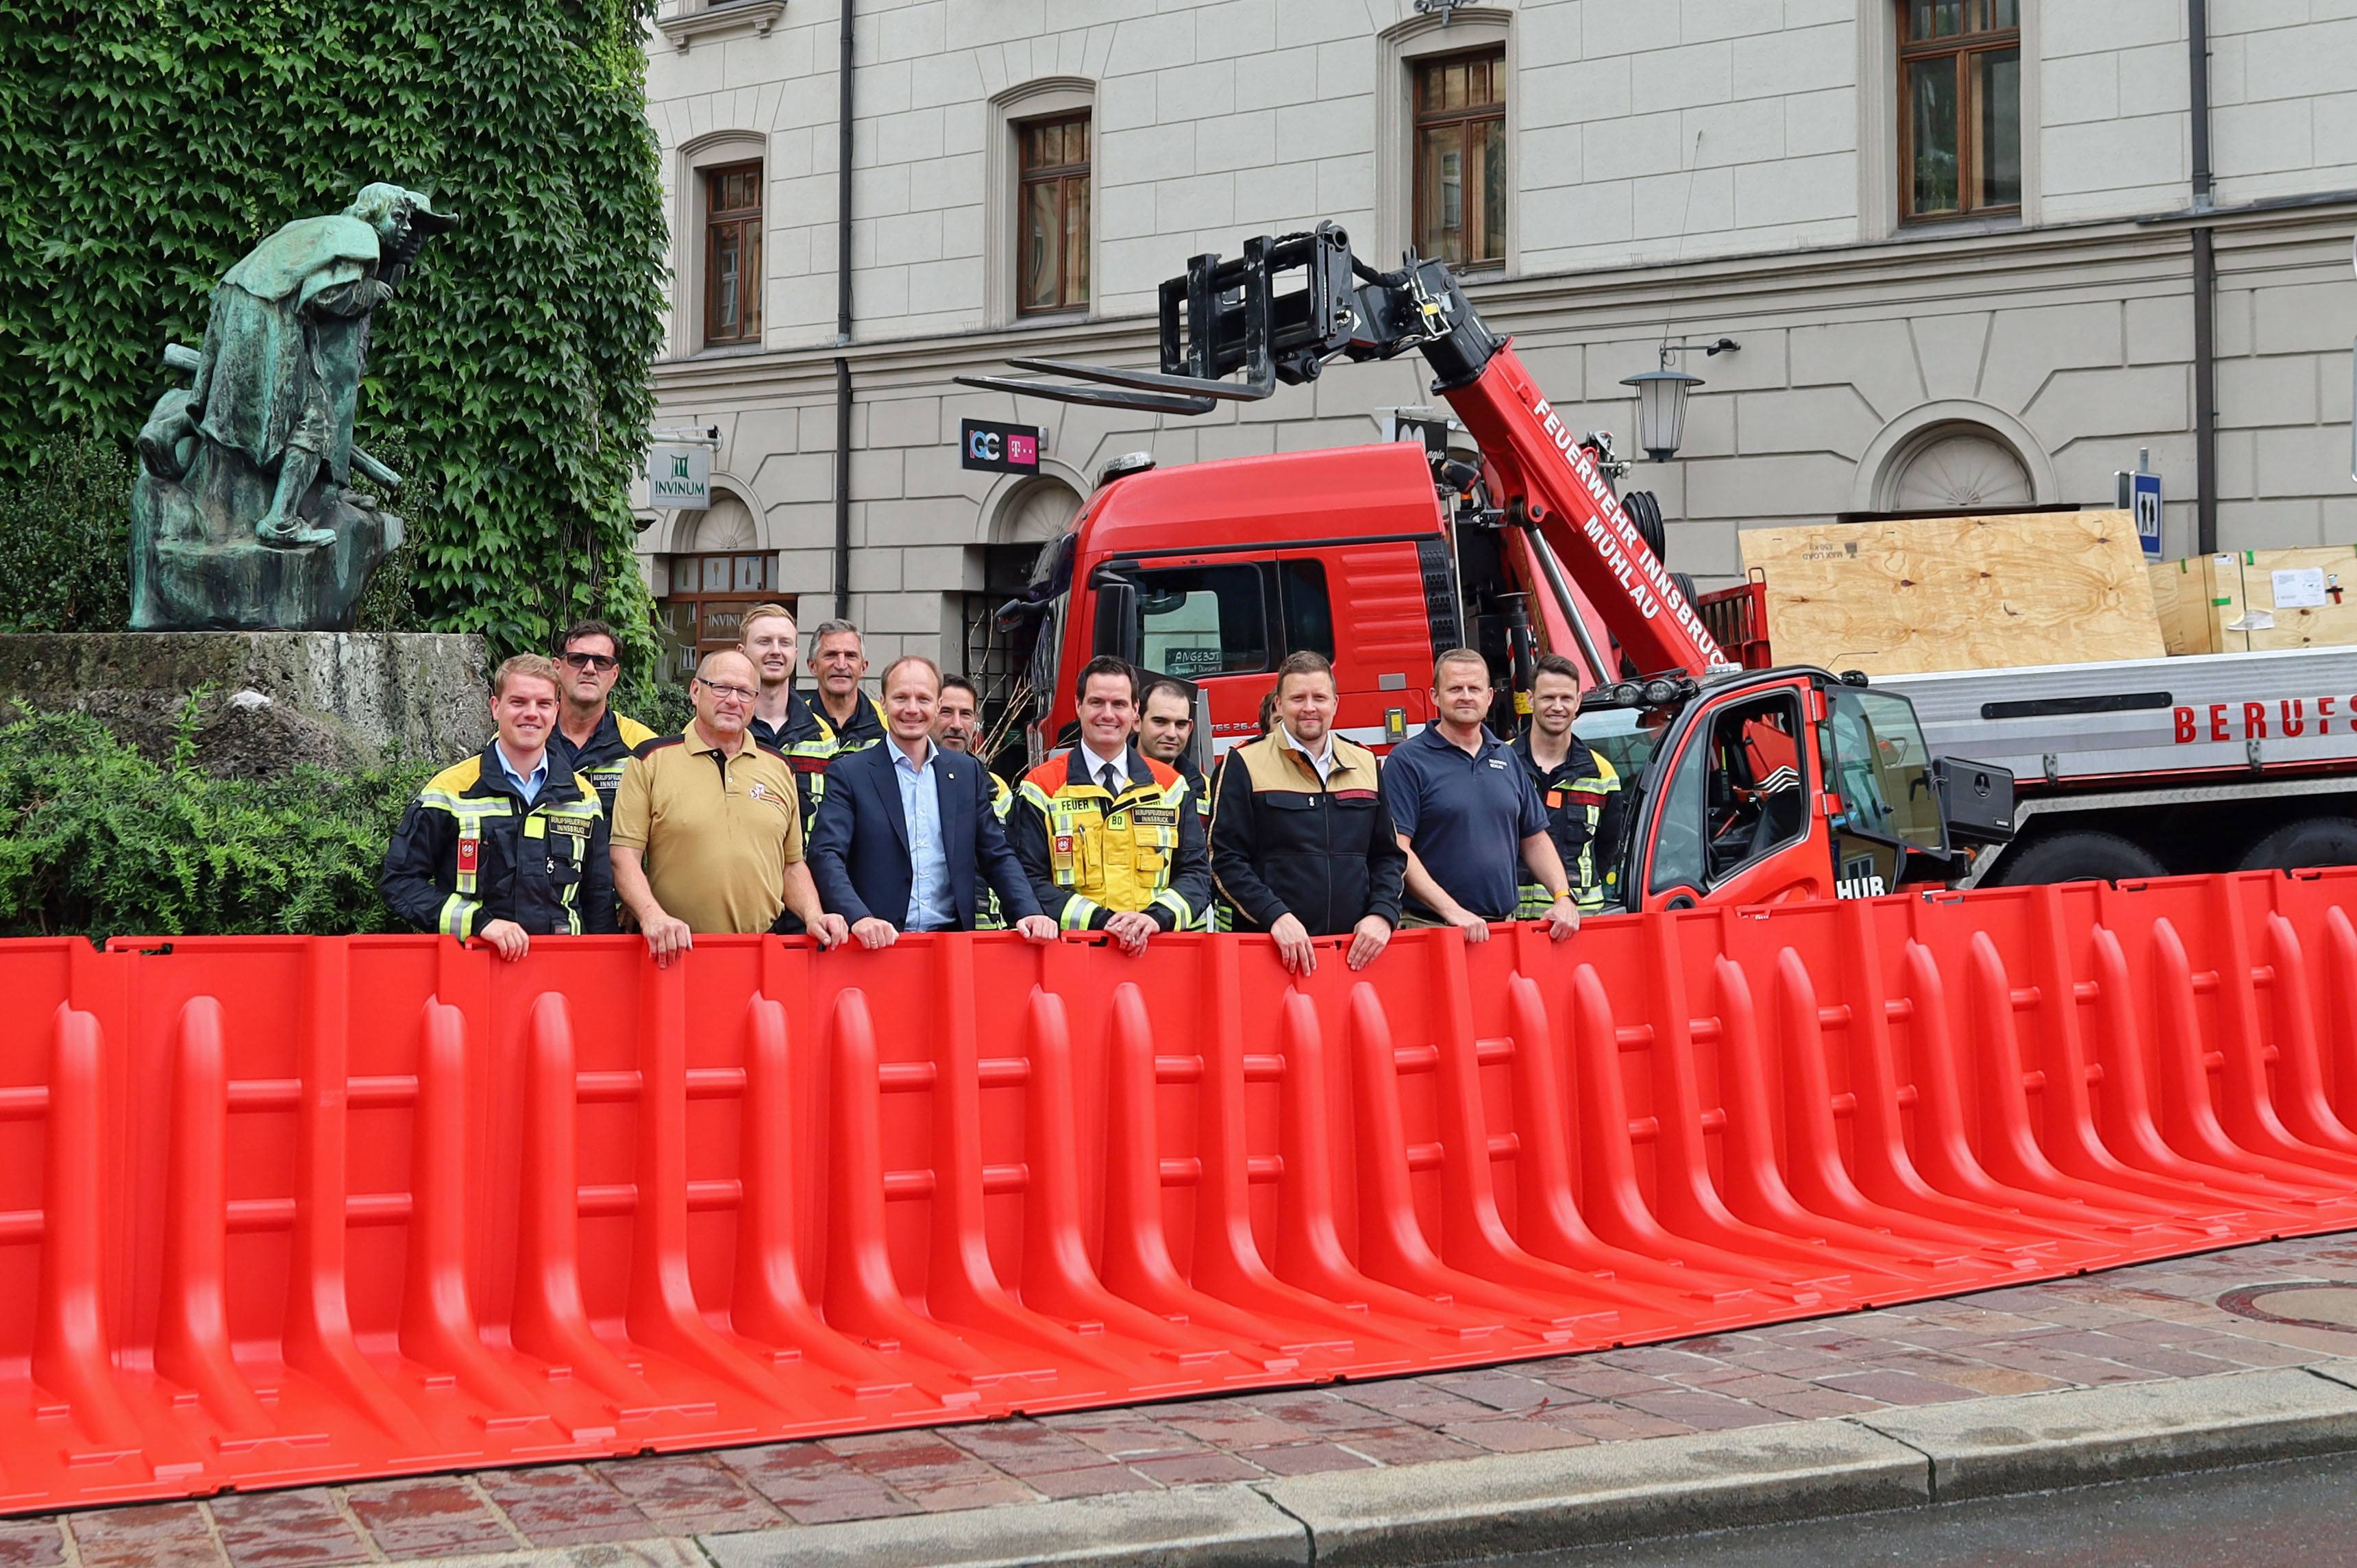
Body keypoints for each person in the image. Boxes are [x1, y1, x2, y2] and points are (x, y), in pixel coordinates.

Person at [610, 649, 848, 965]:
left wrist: (814, 915)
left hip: (762, 952)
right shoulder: (651, 760)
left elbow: (791, 864)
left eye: (745, 692)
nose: (733, 701)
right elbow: (624, 856)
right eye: (721, 688)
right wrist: (651, 916)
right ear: (695, 691)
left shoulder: (778, 767)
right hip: (674, 950)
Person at [807, 656, 1057, 947]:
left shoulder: (966, 773)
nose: (912, 709)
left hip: (950, 945)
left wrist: (1028, 911)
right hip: (875, 946)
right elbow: (826, 855)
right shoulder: (849, 773)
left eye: (923, 699)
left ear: (937, 705)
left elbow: (996, 854)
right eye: (901, 698)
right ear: (884, 702)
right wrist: (859, 917)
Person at [380, 654, 614, 959]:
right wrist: (479, 924)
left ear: (556, 711)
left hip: (562, 970)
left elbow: (598, 900)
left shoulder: (582, 797)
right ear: (495, 707)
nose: (532, 714)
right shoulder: (452, 791)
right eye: (518, 702)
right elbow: (400, 882)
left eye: (543, 704)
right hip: (473, 965)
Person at [1210, 651, 1405, 974]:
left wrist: (1382, 914)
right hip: (1272, 953)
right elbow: (1225, 859)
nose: (1310, 708)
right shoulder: (1244, 763)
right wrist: (1275, 916)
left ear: (1336, 704)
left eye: (1319, 698)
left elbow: (1387, 856)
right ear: (1278, 705)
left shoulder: (1366, 762)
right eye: (1298, 698)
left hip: (1354, 953)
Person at [1379, 649, 1582, 945]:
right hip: (1435, 931)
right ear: (1435, 696)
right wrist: (1454, 912)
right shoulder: (1408, 761)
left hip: (1502, 931)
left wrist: (1563, 897)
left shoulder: (1505, 756)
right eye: (1455, 689)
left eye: (1474, 689)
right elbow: (1399, 849)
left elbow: (1535, 838)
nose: (1465, 696)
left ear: (1488, 697)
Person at [1011, 656, 1212, 951]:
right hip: (1071, 955)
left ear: (1134, 712)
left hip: (1156, 953)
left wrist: (1156, 919)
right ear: (1078, 706)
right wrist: (1101, 921)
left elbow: (1197, 874)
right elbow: (1028, 878)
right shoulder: (1041, 787)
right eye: (1096, 703)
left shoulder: (1170, 786)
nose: (1108, 714)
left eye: (1118, 704)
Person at [1514, 652, 1627, 917]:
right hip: (1513, 921)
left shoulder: (1601, 773)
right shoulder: (1501, 764)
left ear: (1578, 701)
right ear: (1531, 699)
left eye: (1566, 698)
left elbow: (1607, 848)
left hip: (1580, 921)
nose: (1557, 706)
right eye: (1547, 698)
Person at [784, 618, 889, 832]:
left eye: (850, 656)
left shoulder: (888, 726)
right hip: (806, 861)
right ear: (812, 666)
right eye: (830, 655)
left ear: (864, 667)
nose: (841, 665)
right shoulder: (792, 727)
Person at [552, 619, 658, 818]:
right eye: (578, 659)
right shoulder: (523, 739)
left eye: (602, 662)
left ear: (615, 674)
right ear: (557, 667)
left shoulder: (644, 746)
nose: (590, 669)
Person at [937, 674, 1017, 928]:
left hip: (989, 932)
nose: (957, 725)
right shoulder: (908, 782)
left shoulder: (996, 788)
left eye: (966, 714)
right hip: (928, 932)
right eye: (946, 712)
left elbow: (1010, 863)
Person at [739, 602, 817, 753]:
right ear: (742, 652)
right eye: (764, 642)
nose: (776, 651)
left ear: (795, 654)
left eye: (785, 643)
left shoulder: (821, 733)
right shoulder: (714, 726)